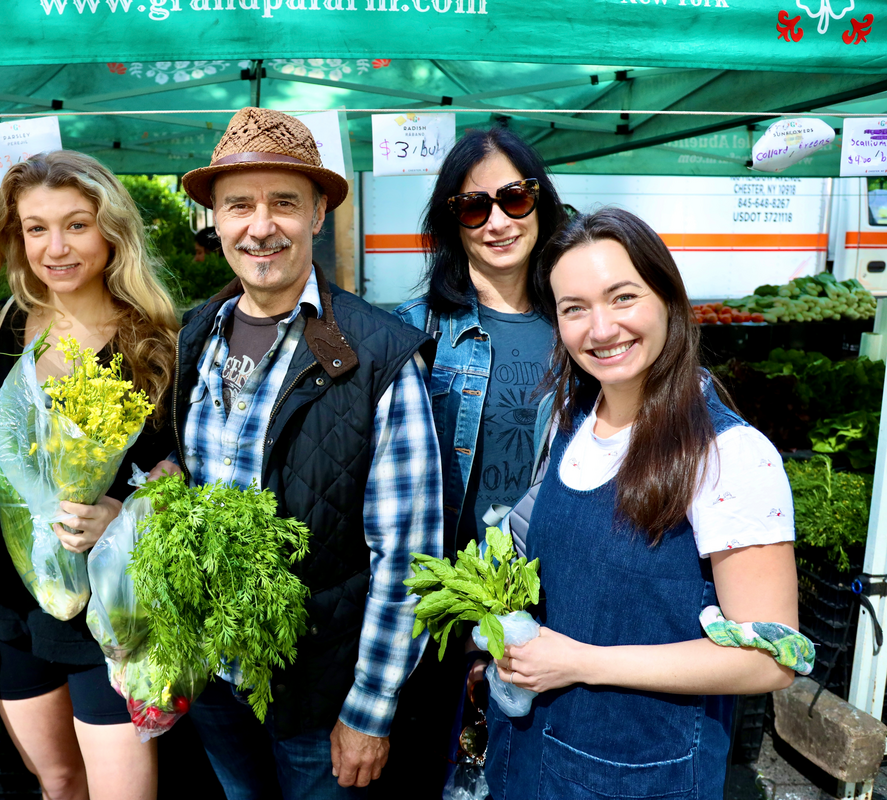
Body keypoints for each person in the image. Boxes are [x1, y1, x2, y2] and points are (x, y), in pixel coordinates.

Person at [484, 207, 803, 799]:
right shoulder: (570, 419)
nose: (600, 329)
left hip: (638, 773)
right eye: (574, 308)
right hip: (530, 760)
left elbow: (770, 658)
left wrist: (581, 662)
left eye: (622, 297)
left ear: (667, 298)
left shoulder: (729, 455)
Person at [172, 106, 443, 800]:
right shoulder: (195, 334)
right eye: (238, 205)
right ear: (216, 219)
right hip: (216, 683)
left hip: (320, 697)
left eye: (284, 203)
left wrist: (370, 711)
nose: (261, 226)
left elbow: (408, 557)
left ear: (319, 213)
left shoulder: (376, 353)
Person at [0, 150, 179, 800]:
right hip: (9, 604)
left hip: (108, 615)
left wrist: (126, 514)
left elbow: (187, 477)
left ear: (112, 230)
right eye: (36, 228)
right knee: (58, 783)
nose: (54, 247)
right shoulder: (5, 325)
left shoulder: (148, 343)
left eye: (76, 225)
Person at [390, 127, 568, 793]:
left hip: (551, 612)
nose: (496, 220)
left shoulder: (583, 328)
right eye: (473, 207)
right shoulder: (412, 332)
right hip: (437, 616)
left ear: (541, 203)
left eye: (514, 199)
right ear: (452, 222)